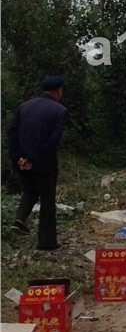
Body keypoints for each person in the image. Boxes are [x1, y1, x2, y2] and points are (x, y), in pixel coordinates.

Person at [8, 76, 68, 251]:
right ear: (59, 91)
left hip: (20, 161)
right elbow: (52, 141)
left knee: (30, 190)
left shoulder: (24, 106)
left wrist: (18, 157)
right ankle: (47, 242)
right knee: (47, 200)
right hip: (44, 163)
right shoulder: (59, 110)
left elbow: (12, 133)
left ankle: (19, 220)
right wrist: (33, 160)